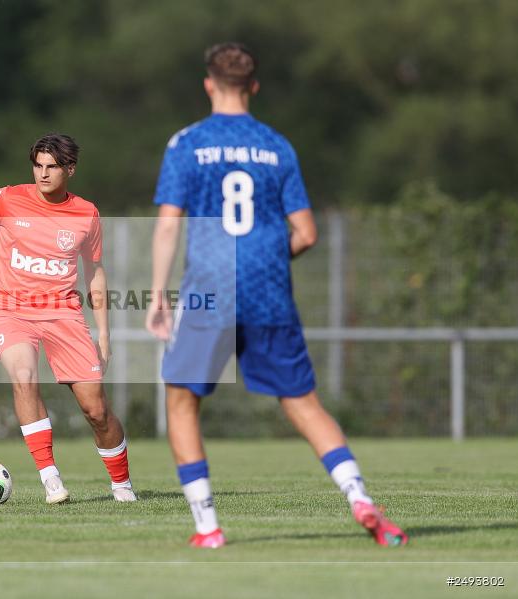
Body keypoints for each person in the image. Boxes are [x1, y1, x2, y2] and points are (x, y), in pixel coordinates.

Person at [146, 43, 406, 547]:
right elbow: (306, 233)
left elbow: (166, 229)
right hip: (268, 290)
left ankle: (208, 528)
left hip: (209, 292)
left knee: (180, 401)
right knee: (303, 402)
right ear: (254, 88)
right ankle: (360, 498)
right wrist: (262, 260)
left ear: (208, 84)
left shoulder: (186, 144)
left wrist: (157, 295)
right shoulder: (277, 146)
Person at [0, 133, 136, 504]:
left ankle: (122, 484)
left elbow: (95, 272)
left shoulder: (86, 213)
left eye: (52, 167)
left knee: (96, 410)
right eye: (38, 165)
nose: (43, 174)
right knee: (24, 376)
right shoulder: (9, 198)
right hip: (10, 310)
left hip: (64, 314)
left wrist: (105, 334)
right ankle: (51, 479)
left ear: (70, 169)